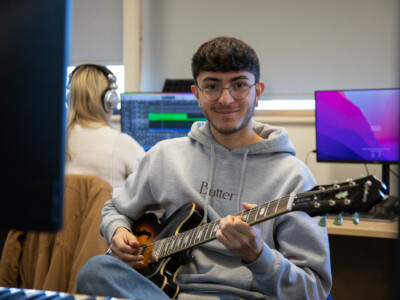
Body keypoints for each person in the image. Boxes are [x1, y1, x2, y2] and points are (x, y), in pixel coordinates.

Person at [76, 37, 332, 299]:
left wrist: (259, 256)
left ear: (258, 92)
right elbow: (116, 208)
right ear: (197, 94)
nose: (225, 98)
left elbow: (313, 291)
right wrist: (117, 230)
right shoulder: (166, 156)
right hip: (163, 292)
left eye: (239, 85)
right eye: (212, 86)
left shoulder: (294, 177)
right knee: (95, 270)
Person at [65, 64, 145, 194]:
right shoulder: (122, 144)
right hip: (106, 214)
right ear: (109, 101)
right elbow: (151, 190)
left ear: (69, 99)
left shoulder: (52, 143)